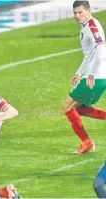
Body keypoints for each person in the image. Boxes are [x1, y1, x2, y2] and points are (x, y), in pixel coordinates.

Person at [62, 0, 106, 154]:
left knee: (67, 106)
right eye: (75, 13)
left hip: (95, 76)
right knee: (79, 109)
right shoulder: (87, 26)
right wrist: (79, 73)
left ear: (88, 10)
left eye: (80, 12)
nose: (77, 16)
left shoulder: (92, 27)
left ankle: (87, 142)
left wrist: (92, 73)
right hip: (93, 75)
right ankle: (87, 142)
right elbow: (89, 55)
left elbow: (101, 49)